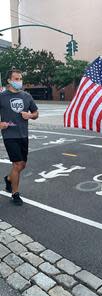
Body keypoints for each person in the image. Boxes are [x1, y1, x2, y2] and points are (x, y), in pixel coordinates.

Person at [0, 69, 39, 205]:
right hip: (9, 135)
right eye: (16, 79)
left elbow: (36, 112)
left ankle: (9, 179)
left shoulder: (27, 96)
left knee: (22, 165)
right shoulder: (2, 96)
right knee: (16, 164)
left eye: (20, 78)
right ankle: (15, 194)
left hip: (24, 134)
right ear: (9, 81)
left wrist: (30, 115)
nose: (19, 81)